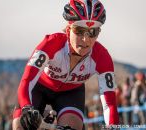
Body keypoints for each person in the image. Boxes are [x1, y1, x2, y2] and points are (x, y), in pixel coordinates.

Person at [12, 0, 119, 130]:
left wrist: (113, 127)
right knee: (20, 125)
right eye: (79, 31)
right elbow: (27, 80)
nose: (85, 39)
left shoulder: (103, 57)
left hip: (70, 93)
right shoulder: (51, 43)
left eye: (92, 32)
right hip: (39, 88)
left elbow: (110, 104)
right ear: (69, 29)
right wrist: (26, 107)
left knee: (73, 127)